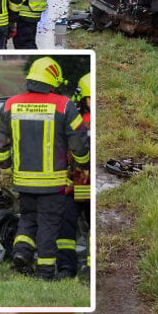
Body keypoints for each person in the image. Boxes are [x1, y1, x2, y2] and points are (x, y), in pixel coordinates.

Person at [0, 57, 90, 280]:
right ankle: (45, 272)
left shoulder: (10, 104)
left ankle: (21, 253)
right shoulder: (64, 106)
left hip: (24, 181)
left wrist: (5, 167)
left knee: (27, 218)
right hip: (53, 184)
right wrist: (82, 166)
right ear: (53, 81)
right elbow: (79, 142)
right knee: (48, 224)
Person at [69, 73, 92, 282]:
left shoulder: (81, 122)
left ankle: (86, 268)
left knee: (84, 224)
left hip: (83, 180)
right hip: (83, 181)